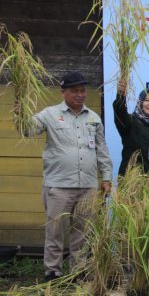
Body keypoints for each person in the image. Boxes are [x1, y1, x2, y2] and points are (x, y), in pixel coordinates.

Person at [17, 71, 113, 281]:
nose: (80, 95)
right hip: (59, 186)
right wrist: (20, 111)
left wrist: (106, 177)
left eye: (82, 91)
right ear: (63, 92)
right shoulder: (49, 114)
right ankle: (53, 271)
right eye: (75, 91)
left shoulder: (93, 117)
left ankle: (79, 270)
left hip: (87, 186)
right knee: (55, 231)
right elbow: (27, 130)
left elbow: (102, 150)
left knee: (83, 231)